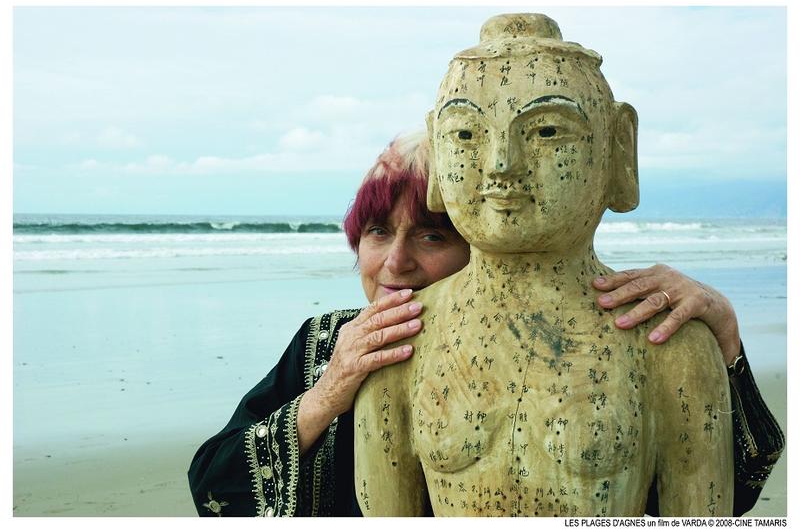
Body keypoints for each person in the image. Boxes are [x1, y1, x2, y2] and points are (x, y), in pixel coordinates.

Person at [187, 131, 783, 517]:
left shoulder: (611, 337)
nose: (395, 262)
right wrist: (326, 395)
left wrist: (723, 340)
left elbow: (732, 494)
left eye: (431, 236)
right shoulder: (328, 342)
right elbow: (213, 489)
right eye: (377, 232)